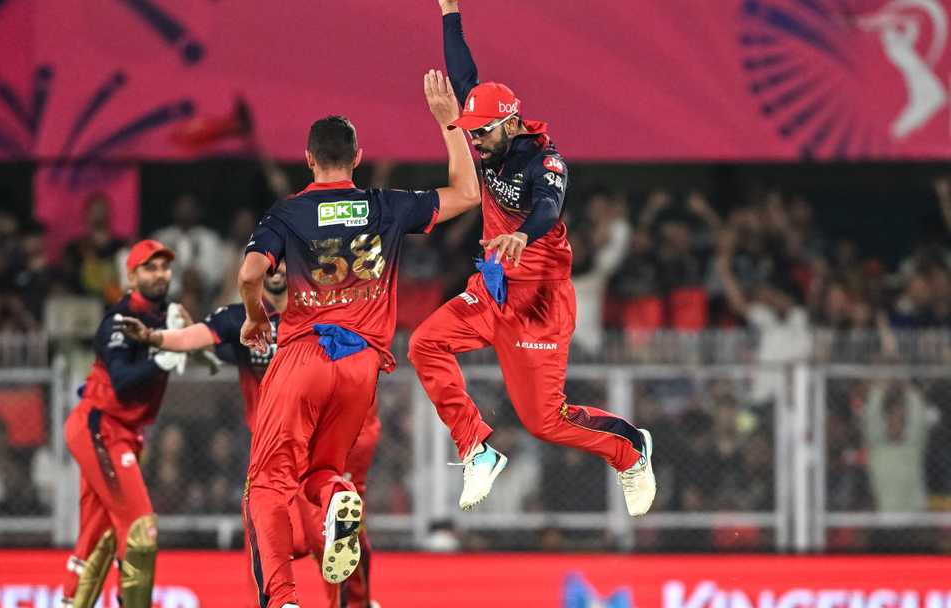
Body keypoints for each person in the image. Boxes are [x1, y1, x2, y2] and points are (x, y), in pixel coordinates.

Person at [210, 71, 478, 608]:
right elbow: (468, 194)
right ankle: (337, 498)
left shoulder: (288, 213)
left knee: (267, 483)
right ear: (357, 158)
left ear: (309, 159)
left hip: (303, 355)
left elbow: (249, 273)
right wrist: (450, 122)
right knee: (325, 472)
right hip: (361, 366)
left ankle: (283, 599)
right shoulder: (385, 206)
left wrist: (255, 318)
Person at [406, 0, 656, 516]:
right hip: (492, 289)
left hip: (538, 304)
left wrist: (523, 234)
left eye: (483, 132)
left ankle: (631, 450)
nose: (475, 140)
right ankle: (477, 449)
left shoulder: (546, 160)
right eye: (471, 131)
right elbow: (464, 73)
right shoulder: (488, 133)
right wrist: (450, 10)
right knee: (424, 344)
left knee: (544, 421)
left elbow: (547, 206)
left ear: (512, 123)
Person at [118, 262, 382, 607]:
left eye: (285, 260)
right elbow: (198, 337)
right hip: (290, 450)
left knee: (277, 529)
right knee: (320, 534)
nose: (277, 268)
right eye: (272, 261)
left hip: (300, 449)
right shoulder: (244, 319)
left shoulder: (320, 314)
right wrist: (155, 337)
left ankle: (291, 600)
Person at [60, 240, 189, 608]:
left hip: (123, 434)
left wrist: (200, 345)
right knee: (140, 531)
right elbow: (121, 380)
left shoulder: (169, 317)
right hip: (100, 428)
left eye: (164, 267)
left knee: (97, 535)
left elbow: (199, 341)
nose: (160, 274)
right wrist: (163, 357)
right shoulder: (119, 321)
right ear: (131, 277)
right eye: (150, 268)